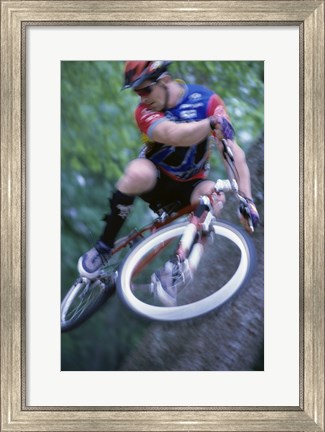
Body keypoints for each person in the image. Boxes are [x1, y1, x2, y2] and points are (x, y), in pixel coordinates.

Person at [77, 61, 260, 287]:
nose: (142, 98)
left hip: (191, 185)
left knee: (215, 196)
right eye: (136, 92)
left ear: (164, 81)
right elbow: (174, 134)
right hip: (156, 181)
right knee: (136, 171)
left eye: (145, 90)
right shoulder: (144, 111)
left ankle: (176, 271)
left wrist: (247, 200)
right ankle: (103, 246)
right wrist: (211, 123)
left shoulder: (207, 100)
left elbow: (231, 151)